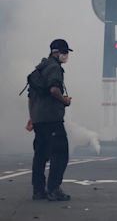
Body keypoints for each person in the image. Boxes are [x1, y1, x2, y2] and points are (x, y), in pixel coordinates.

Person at [26, 39, 73, 201]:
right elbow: (54, 90)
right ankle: (54, 188)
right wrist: (64, 101)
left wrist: (32, 117)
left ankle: (38, 191)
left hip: (39, 119)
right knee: (60, 153)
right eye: (65, 52)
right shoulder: (54, 68)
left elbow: (31, 97)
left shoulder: (40, 68)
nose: (66, 56)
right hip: (52, 119)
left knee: (40, 155)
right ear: (57, 52)